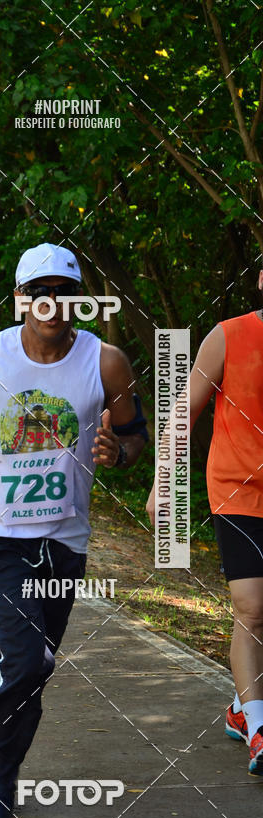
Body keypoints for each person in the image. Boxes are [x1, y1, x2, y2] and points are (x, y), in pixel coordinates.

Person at [0, 243, 148, 818]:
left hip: (66, 537)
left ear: (78, 297)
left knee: (33, 668)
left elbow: (133, 436)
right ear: (22, 298)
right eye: (38, 289)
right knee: (24, 661)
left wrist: (120, 454)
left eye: (64, 288)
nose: (52, 301)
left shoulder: (105, 362)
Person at [147, 276, 263, 776]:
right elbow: (184, 410)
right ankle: (260, 728)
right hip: (238, 488)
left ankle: (241, 709)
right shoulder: (229, 334)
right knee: (252, 608)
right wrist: (161, 484)